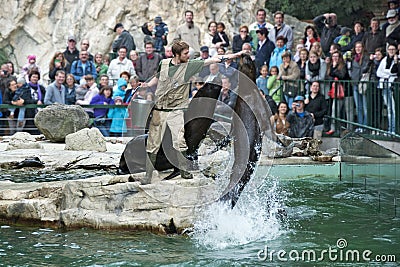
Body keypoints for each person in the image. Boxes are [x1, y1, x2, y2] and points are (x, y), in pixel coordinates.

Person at [140, 40, 242, 184]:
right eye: (185, 53)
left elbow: (212, 59)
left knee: (180, 140)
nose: (188, 56)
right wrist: (146, 84)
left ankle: (183, 170)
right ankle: (148, 175)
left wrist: (237, 54)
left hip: (176, 109)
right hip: (160, 108)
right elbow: (157, 78)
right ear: (176, 54)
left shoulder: (189, 66)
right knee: (153, 143)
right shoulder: (163, 63)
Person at [377, 44, 398, 134]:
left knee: (393, 109)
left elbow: (395, 72)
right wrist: (388, 74)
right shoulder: (384, 59)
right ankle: (390, 129)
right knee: (389, 108)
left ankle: (393, 129)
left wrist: (386, 73)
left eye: (393, 49)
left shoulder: (397, 59)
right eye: (390, 49)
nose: (391, 51)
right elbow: (378, 72)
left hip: (392, 86)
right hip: (384, 86)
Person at [325, 51, 348, 135]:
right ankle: (334, 128)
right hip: (332, 91)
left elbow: (342, 76)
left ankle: (335, 128)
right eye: (333, 56)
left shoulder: (342, 66)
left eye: (337, 56)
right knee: (333, 110)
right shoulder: (330, 66)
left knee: (337, 111)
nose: (335, 58)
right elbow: (328, 76)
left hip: (340, 91)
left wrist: (334, 69)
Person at [349, 41, 370, 129]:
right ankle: (360, 125)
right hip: (355, 83)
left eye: (359, 47)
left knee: (365, 106)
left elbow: (365, 68)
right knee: (358, 107)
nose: (358, 49)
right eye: (356, 47)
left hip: (362, 83)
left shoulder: (365, 57)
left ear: (362, 48)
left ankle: (365, 126)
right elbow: (351, 69)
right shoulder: (353, 58)